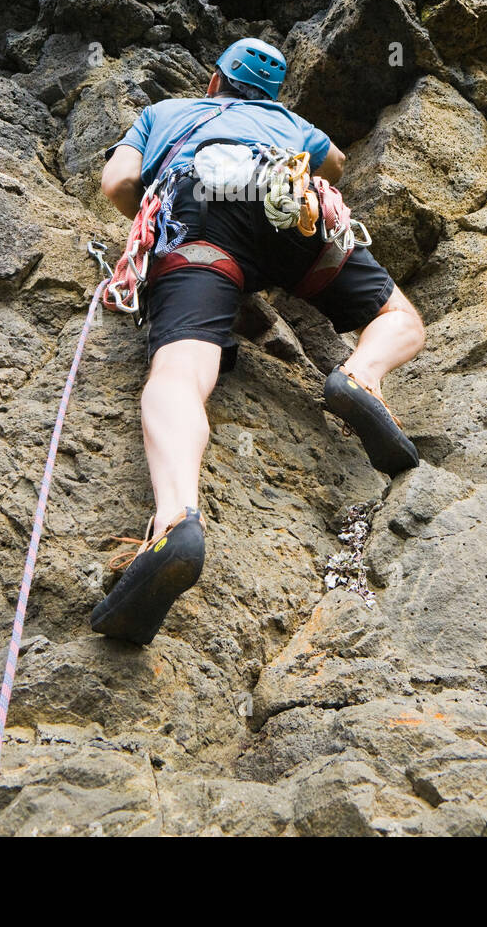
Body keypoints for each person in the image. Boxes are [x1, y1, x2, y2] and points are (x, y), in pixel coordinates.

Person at [91, 38, 425, 644]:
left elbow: (119, 183)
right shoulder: (287, 122)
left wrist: (157, 214)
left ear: (214, 82)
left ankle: (175, 523)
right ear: (270, 95)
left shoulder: (166, 112)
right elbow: (337, 166)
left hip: (200, 223)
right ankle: (359, 377)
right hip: (287, 206)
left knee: (180, 371)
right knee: (399, 316)